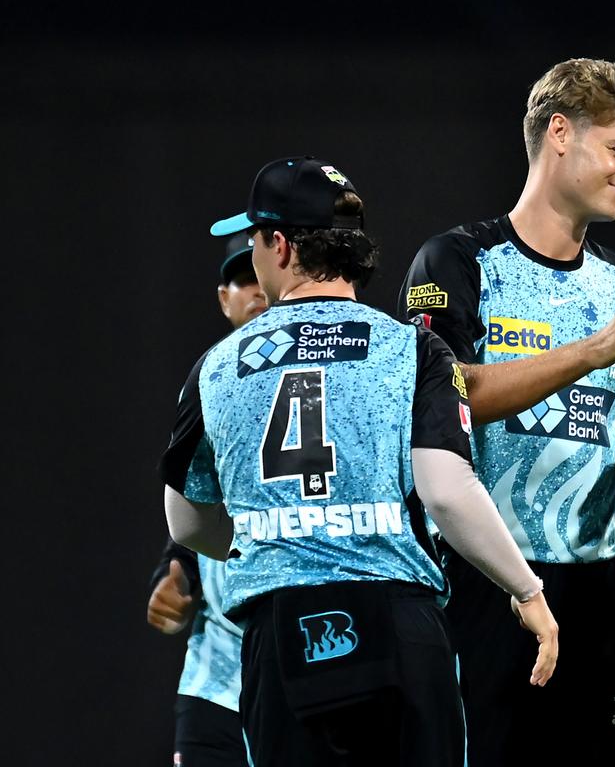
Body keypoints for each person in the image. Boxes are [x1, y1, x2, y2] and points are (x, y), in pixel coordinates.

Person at [159, 155, 560, 767]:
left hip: (280, 631)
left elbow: (186, 522)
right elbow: (447, 490)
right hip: (398, 625)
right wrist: (526, 591)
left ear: (281, 245)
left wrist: (270, 535)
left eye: (255, 240)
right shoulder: (410, 347)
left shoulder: (215, 366)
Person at [398, 57, 615, 766]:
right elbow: (451, 394)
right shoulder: (455, 262)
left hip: (594, 582)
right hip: (487, 579)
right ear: (559, 133)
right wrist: (591, 350)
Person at [146, 232, 267, 767]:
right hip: (218, 674)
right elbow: (197, 505)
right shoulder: (208, 381)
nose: (257, 289)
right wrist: (176, 569)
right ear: (224, 299)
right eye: (243, 280)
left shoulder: (349, 373)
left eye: (263, 273)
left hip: (304, 657)